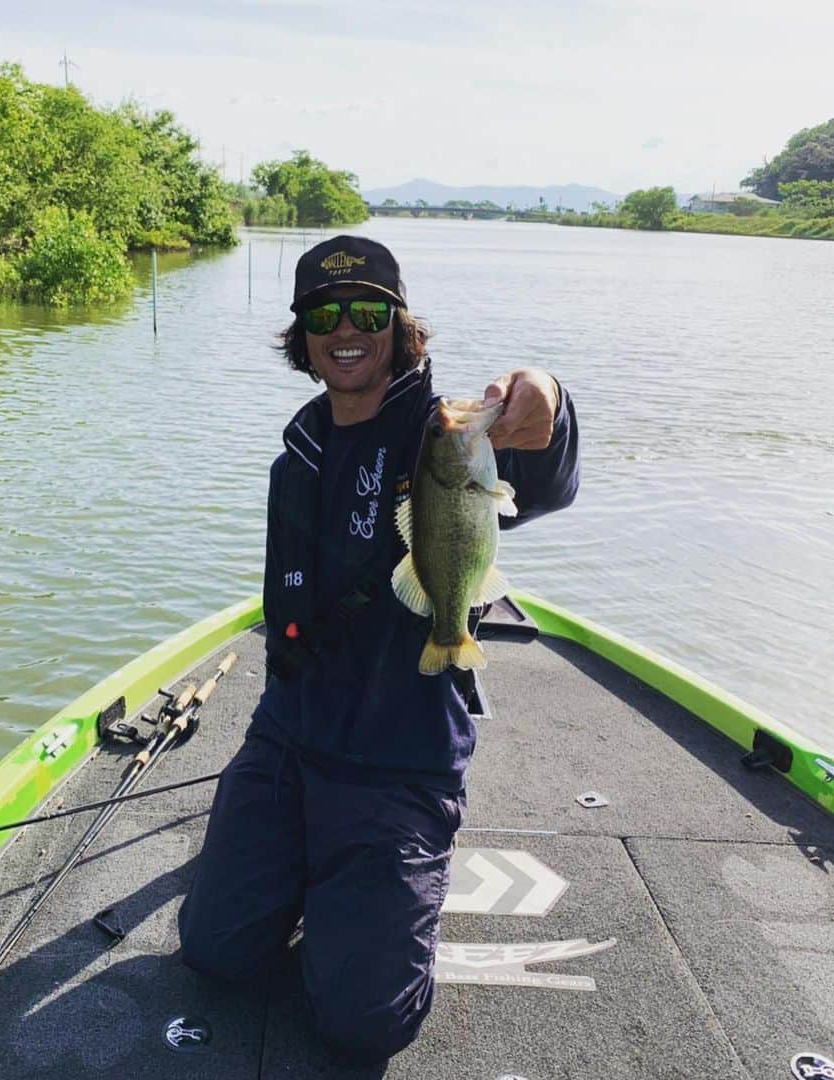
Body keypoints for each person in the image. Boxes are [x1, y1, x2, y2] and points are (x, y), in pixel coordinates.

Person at [178, 235, 579, 1065]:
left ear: (401, 327)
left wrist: (548, 397)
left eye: (369, 310)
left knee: (362, 1025)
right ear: (304, 336)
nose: (346, 328)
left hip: (400, 762)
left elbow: (544, 474)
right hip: (288, 739)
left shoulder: (440, 434)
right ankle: (308, 881)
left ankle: (371, 896)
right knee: (214, 951)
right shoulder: (302, 446)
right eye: (325, 314)